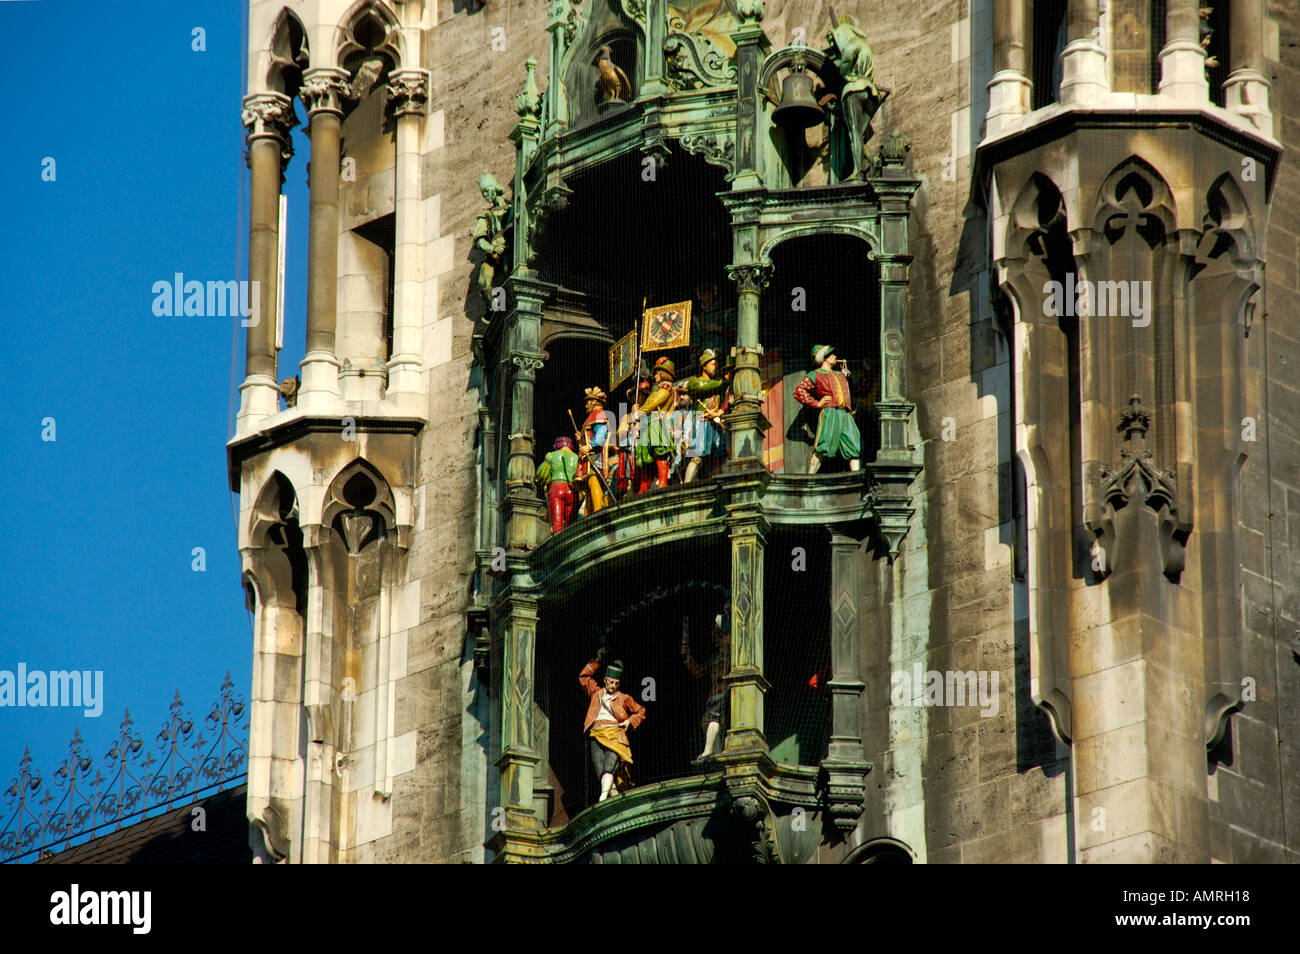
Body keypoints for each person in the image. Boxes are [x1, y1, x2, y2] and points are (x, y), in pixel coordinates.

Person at [579, 648, 646, 801]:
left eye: (616, 683)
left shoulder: (624, 698)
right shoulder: (596, 693)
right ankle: (613, 796)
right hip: (596, 734)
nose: (613, 686)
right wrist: (598, 658)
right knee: (600, 771)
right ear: (605, 680)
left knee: (609, 767)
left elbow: (641, 710)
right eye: (610, 682)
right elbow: (584, 677)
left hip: (615, 736)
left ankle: (602, 798)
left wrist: (629, 721)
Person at [793, 344, 862, 473]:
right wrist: (817, 403)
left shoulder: (839, 374)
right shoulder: (815, 374)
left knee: (854, 444)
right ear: (823, 358)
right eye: (831, 354)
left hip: (845, 414)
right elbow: (799, 391)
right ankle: (810, 478)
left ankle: (856, 475)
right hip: (830, 413)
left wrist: (846, 376)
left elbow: (855, 390)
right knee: (823, 445)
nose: (835, 356)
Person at [681, 602, 731, 764]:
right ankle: (713, 757)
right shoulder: (716, 658)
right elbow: (698, 671)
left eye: (720, 635)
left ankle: (709, 752)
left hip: (726, 695)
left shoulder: (734, 655)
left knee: (715, 720)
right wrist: (686, 655)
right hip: (715, 695)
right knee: (710, 723)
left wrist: (727, 611)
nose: (716, 639)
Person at [683, 348, 730, 482]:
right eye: (713, 364)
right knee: (697, 455)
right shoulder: (695, 382)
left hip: (715, 422)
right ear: (704, 366)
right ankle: (687, 484)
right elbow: (702, 386)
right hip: (701, 421)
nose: (716, 367)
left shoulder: (718, 385)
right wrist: (723, 382)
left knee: (720, 454)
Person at [630, 357, 677, 491]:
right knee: (646, 455)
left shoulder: (666, 387)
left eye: (657, 373)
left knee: (659, 452)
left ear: (663, 373)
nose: (655, 376)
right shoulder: (657, 388)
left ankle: (662, 481)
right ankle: (644, 485)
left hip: (657, 422)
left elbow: (655, 402)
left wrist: (640, 410)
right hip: (649, 422)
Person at [578, 387, 613, 514]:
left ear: (594, 402)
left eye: (588, 401)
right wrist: (580, 438)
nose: (586, 404)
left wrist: (590, 446)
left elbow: (601, 435)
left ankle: (597, 509)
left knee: (593, 480)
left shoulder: (598, 415)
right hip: (590, 455)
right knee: (588, 484)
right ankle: (589, 512)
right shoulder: (592, 416)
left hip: (595, 455)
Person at [536, 436, 580, 532]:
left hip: (556, 489)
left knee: (557, 524)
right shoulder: (578, 458)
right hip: (572, 491)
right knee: (570, 526)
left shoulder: (551, 456)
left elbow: (541, 474)